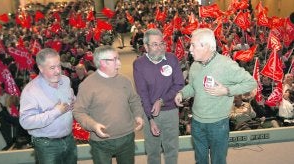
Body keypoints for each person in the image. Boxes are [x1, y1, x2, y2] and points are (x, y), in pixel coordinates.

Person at [174, 28, 257, 164]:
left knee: (218, 160)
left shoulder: (226, 65)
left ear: (206, 46)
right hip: (197, 122)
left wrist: (226, 90)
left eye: (193, 45)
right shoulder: (195, 65)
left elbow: (251, 83)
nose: (190, 49)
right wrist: (182, 93)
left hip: (218, 125)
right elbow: (193, 87)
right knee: (200, 159)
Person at [73, 45, 144, 164]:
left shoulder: (124, 80)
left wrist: (138, 115)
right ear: (102, 63)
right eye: (115, 60)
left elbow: (134, 100)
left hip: (127, 138)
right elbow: (79, 111)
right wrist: (93, 125)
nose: (119, 64)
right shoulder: (87, 85)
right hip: (101, 142)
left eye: (119, 59)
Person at [133, 28, 185, 164]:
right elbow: (142, 93)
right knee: (153, 151)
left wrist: (161, 101)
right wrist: (150, 119)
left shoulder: (172, 59)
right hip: (149, 113)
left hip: (171, 111)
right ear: (146, 47)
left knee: (172, 150)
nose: (160, 47)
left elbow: (179, 84)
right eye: (155, 44)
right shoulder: (139, 64)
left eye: (162, 43)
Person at [19, 48, 77, 164]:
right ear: (41, 68)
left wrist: (74, 104)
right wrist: (55, 112)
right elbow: (25, 122)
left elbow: (72, 99)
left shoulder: (65, 80)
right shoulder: (31, 91)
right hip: (47, 145)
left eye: (59, 66)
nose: (58, 71)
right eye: (52, 68)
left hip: (69, 139)